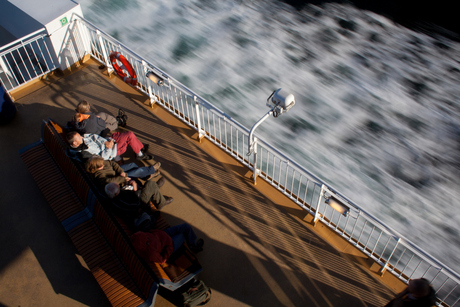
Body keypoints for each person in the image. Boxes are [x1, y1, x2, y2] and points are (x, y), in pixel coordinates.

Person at [130, 224, 204, 264]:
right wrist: (169, 248)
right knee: (184, 234)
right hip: (170, 244)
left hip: (164, 234)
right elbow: (162, 260)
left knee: (186, 226)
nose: (147, 236)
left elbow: (151, 232)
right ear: (145, 244)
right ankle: (194, 247)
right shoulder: (151, 253)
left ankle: (192, 244)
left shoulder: (139, 236)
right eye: (147, 239)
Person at [66, 130, 152, 162]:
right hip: (110, 151)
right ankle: (140, 153)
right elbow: (103, 158)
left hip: (108, 141)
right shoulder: (84, 153)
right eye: (79, 137)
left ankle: (139, 149)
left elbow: (95, 137)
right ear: (75, 143)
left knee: (127, 138)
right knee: (129, 136)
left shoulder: (84, 138)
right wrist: (109, 147)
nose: (82, 136)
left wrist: (106, 142)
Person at [85, 155, 160, 185]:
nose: (103, 164)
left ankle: (146, 176)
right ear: (97, 168)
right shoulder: (99, 176)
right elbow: (110, 181)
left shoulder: (100, 162)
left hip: (117, 172)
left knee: (132, 165)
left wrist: (120, 171)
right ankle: (152, 169)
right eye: (101, 165)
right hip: (118, 180)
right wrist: (123, 178)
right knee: (137, 171)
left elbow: (112, 163)